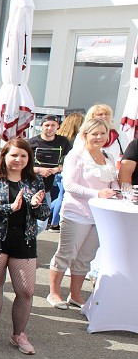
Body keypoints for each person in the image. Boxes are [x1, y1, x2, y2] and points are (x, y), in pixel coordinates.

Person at [0, 138, 50, 354]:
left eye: (23, 156)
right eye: (14, 155)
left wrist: (36, 206)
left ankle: (18, 335)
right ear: (4, 156)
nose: (18, 159)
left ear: (29, 159)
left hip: (24, 240)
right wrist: (9, 208)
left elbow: (45, 213)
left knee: (26, 290)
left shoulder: (34, 181)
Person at [46, 118, 120, 310]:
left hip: (100, 215)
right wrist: (97, 193)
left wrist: (118, 191)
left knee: (86, 257)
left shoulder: (108, 157)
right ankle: (54, 293)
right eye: (94, 133)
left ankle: (75, 295)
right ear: (85, 135)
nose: (99, 137)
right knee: (66, 254)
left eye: (103, 133)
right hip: (76, 213)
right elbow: (69, 185)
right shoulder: (75, 156)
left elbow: (112, 182)